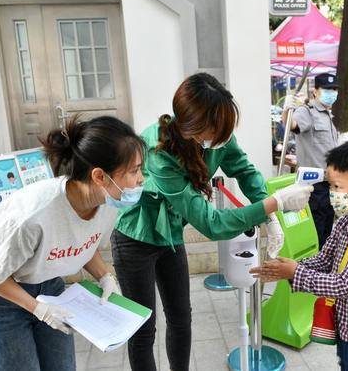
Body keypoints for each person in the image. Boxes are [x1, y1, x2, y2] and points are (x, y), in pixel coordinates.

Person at [111, 73, 313, 371]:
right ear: (190, 126)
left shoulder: (218, 135)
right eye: (215, 130)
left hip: (171, 235)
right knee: (143, 327)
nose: (223, 138)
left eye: (225, 129)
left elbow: (244, 171)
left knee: (181, 317)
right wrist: (274, 202)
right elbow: (212, 224)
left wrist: (269, 216)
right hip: (136, 238)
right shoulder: (158, 151)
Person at [0, 116, 144, 371]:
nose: (141, 179)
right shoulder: (33, 214)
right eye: (134, 170)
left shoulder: (107, 204)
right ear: (100, 176)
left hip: (48, 285)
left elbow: (82, 241)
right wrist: (37, 308)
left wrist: (106, 277)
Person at [251, 139, 348, 371]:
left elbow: (344, 285)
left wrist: (296, 272)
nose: (332, 194)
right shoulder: (346, 220)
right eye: (330, 187)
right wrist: (287, 269)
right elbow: (325, 259)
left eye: (337, 187)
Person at [281, 72, 339, 248]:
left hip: (329, 183)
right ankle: (311, 272)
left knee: (327, 232)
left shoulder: (327, 116)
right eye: (327, 89)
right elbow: (291, 125)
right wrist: (286, 111)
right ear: (315, 91)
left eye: (334, 89)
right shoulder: (307, 112)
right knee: (316, 232)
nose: (332, 93)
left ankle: (322, 271)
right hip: (313, 185)